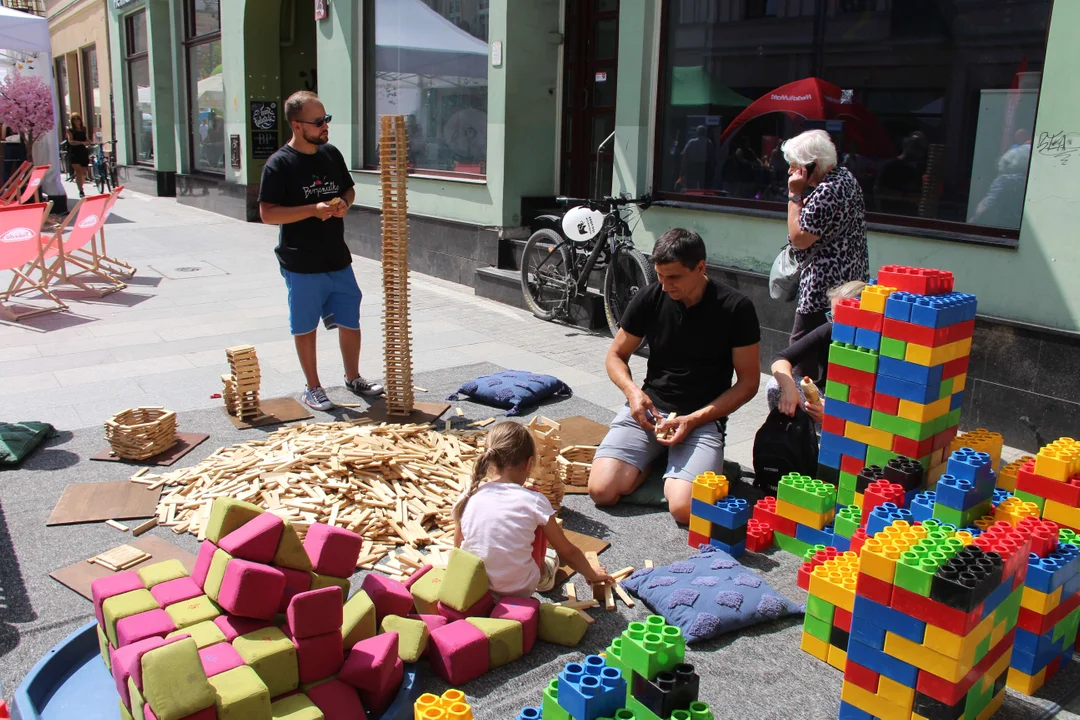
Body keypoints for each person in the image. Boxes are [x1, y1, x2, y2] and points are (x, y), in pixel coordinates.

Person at [588, 229, 761, 524]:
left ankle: (677, 467)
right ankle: (655, 459)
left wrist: (694, 420)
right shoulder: (651, 295)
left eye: (675, 277)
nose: (666, 286)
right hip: (652, 410)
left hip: (703, 418)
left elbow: (749, 383)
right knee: (602, 491)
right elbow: (615, 355)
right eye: (660, 276)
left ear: (701, 268)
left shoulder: (736, 308)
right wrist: (633, 393)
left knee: (683, 509)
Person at [258, 90, 383, 411]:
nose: (325, 125)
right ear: (297, 126)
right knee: (305, 325)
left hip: (337, 256)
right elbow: (268, 213)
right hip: (301, 261)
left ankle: (353, 377)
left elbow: (348, 189)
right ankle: (313, 387)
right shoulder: (279, 165)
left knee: (350, 319)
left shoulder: (331, 154)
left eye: (326, 118)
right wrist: (312, 209)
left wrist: (344, 204)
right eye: (318, 121)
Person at [453, 422, 614, 596]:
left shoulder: (469, 494)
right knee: (541, 533)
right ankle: (544, 577)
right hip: (518, 588)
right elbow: (568, 551)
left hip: (477, 584)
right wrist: (593, 574)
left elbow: (458, 547)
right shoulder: (533, 500)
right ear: (529, 464)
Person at [784, 129, 869, 378]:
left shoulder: (827, 191)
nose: (790, 172)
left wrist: (794, 196)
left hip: (822, 287)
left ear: (813, 164)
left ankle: (799, 406)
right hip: (848, 283)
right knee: (832, 355)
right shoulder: (846, 178)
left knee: (801, 354)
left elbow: (800, 239)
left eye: (795, 166)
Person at [767, 280, 867, 423]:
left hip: (860, 414)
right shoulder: (831, 328)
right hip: (829, 401)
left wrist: (835, 413)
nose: (835, 323)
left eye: (842, 319)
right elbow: (782, 358)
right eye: (833, 317)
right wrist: (789, 389)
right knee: (775, 385)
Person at [680, 125, 714, 191]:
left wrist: (682, 170)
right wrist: (712, 169)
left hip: (693, 166)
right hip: (704, 166)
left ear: (697, 133)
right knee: (704, 188)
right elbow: (712, 157)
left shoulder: (691, 142)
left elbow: (684, 156)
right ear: (705, 133)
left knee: (691, 188)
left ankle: (691, 199)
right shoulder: (708, 142)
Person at [66, 113, 91, 198]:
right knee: (78, 172)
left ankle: (81, 186)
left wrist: (89, 142)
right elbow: (70, 141)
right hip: (74, 152)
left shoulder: (84, 129)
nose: (76, 120)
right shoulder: (70, 130)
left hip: (83, 152)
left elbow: (86, 138)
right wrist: (81, 143)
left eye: (78, 119)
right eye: (74, 119)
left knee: (83, 173)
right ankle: (81, 190)